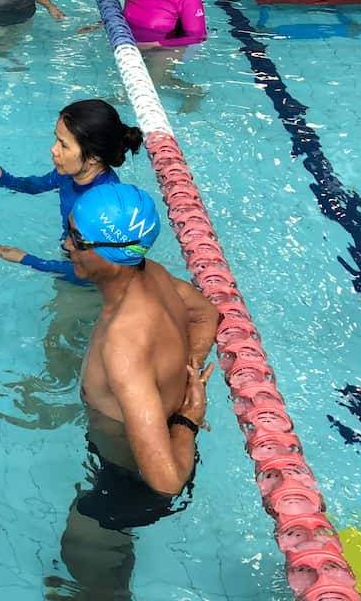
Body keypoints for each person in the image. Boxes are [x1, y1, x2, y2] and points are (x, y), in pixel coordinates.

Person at [48, 183, 217, 598]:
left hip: (132, 480)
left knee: (86, 572)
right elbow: (206, 315)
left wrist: (185, 420)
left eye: (76, 238)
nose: (66, 244)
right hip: (147, 445)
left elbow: (165, 483)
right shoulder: (153, 274)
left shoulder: (124, 344)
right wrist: (184, 371)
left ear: (112, 255)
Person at [0, 99, 142, 284]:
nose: (53, 149)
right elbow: (34, 186)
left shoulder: (104, 207)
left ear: (94, 157)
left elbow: (94, 272)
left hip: (91, 288)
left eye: (63, 145)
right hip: (73, 255)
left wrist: (27, 259)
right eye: (56, 139)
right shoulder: (70, 174)